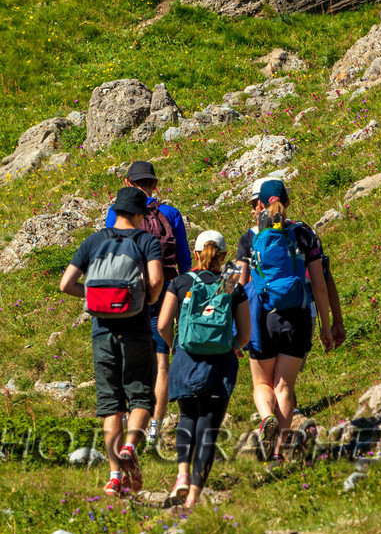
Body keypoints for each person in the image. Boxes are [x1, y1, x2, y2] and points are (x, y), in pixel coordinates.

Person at [59, 187, 166, 497]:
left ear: (116, 212)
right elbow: (157, 279)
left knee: (110, 404)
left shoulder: (94, 240)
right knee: (141, 396)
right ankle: (131, 446)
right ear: (138, 215)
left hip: (102, 331)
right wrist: (145, 300)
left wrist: (92, 298)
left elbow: (66, 283)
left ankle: (114, 476)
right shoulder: (146, 241)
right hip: (135, 328)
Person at [233, 177, 335, 461]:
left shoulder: (250, 238)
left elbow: (240, 287)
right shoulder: (305, 234)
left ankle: (266, 418)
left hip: (262, 318)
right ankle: (279, 451)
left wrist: (236, 331)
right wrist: (327, 325)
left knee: (262, 385)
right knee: (284, 386)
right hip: (298, 316)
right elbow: (319, 283)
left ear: (260, 205)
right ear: (287, 202)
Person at [156, 230, 250, 510]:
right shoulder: (232, 286)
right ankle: (195, 496)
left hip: (186, 361)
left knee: (187, 416)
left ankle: (182, 475)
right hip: (220, 364)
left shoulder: (180, 282)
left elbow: (162, 325)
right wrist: (230, 346)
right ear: (223, 256)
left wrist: (177, 346)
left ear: (196, 254)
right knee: (209, 427)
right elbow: (245, 334)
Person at [105, 161, 188, 453]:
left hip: (129, 298)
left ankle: (127, 421)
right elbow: (185, 262)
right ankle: (154, 429)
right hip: (165, 294)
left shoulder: (116, 213)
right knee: (161, 363)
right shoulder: (171, 213)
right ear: (154, 184)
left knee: (126, 358)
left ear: (128, 183)